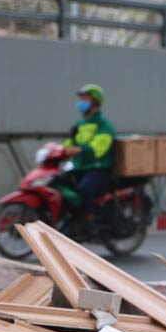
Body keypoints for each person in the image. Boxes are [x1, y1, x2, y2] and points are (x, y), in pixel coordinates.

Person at [60, 84, 116, 227]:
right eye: (81, 99)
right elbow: (70, 143)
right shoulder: (80, 124)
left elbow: (99, 147)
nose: (81, 103)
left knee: (83, 189)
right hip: (80, 165)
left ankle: (88, 219)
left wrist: (81, 150)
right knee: (57, 182)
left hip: (98, 167)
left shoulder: (104, 125)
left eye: (85, 99)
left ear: (95, 103)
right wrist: (59, 149)